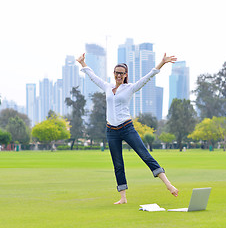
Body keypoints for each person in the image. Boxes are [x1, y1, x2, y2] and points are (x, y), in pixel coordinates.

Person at [76, 53, 179, 204]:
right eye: (116, 72)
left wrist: (162, 63)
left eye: (121, 73)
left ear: (125, 75)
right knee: (117, 164)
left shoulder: (129, 88)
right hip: (111, 131)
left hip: (127, 128)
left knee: (145, 155)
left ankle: (169, 185)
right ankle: (123, 198)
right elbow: (93, 77)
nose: (118, 75)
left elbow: (147, 77)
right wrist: (83, 64)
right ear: (114, 73)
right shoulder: (107, 86)